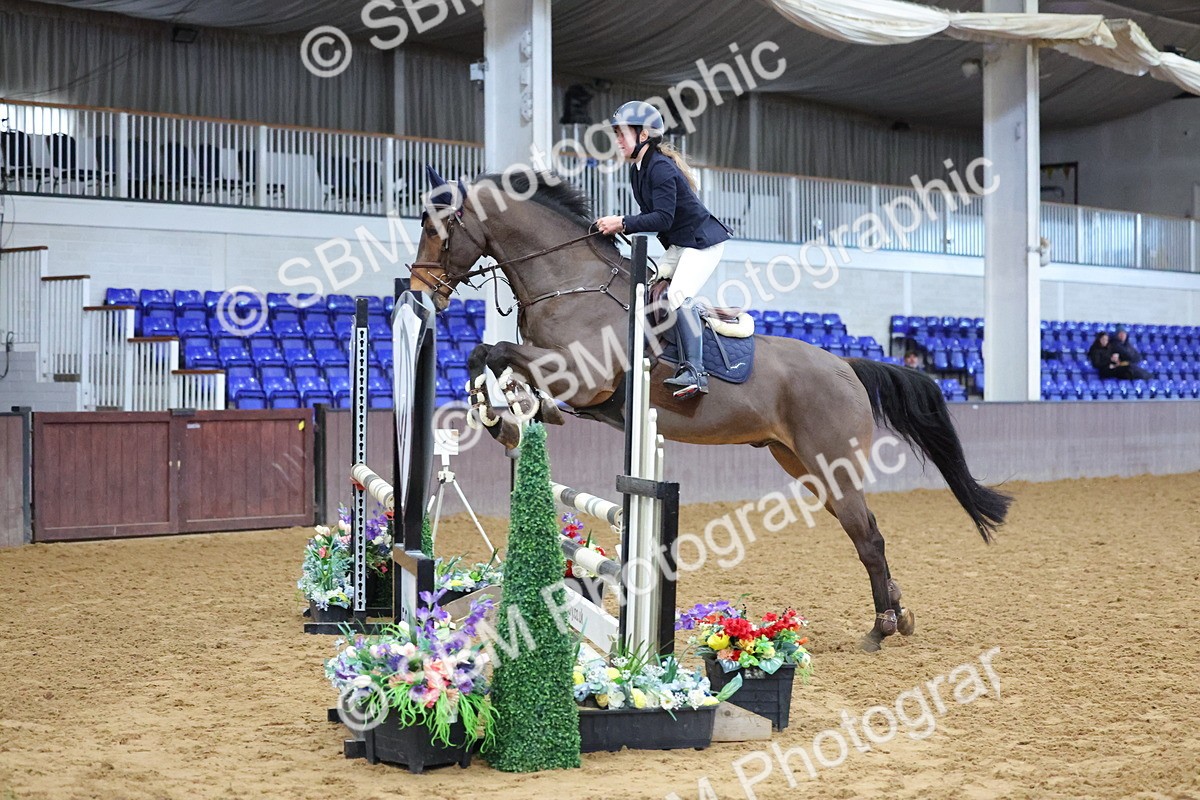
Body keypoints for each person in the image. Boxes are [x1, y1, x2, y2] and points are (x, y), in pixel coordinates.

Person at [595, 101, 732, 399]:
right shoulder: (638, 170)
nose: (617, 140)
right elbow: (653, 217)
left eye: (622, 133)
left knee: (677, 296)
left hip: (702, 244)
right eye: (616, 134)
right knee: (645, 288)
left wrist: (622, 222)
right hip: (682, 245)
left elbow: (663, 219)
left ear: (643, 135)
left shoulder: (660, 168)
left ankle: (695, 371)